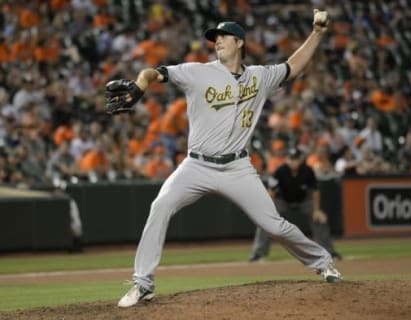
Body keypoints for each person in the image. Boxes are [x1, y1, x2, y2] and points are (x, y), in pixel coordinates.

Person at [105, 9, 342, 308]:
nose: (217, 41)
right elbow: (154, 72)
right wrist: (140, 86)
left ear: (240, 42)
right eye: (214, 38)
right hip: (196, 165)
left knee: (274, 226)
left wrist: (318, 34)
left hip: (237, 167)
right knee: (160, 206)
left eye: (223, 37)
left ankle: (323, 263)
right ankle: (143, 284)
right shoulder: (198, 72)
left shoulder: (260, 77)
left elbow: (293, 66)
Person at [249, 148, 342, 262]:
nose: (294, 162)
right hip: (282, 201)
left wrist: (317, 210)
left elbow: (315, 192)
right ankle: (258, 253)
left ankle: (329, 251)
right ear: (287, 159)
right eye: (291, 159)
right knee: (265, 222)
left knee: (319, 219)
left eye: (296, 159)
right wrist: (269, 211)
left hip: (303, 201)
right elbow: (272, 192)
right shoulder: (280, 171)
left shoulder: (307, 170)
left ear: (300, 160)